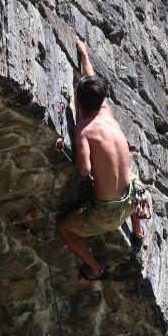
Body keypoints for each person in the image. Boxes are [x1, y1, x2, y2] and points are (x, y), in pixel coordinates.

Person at [56, 37, 145, 282]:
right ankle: (138, 231)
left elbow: (84, 170)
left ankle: (95, 270)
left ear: (77, 100)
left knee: (63, 227)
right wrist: (83, 54)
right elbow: (90, 82)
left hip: (108, 215)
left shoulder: (84, 129)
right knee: (130, 175)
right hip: (133, 198)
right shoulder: (106, 112)